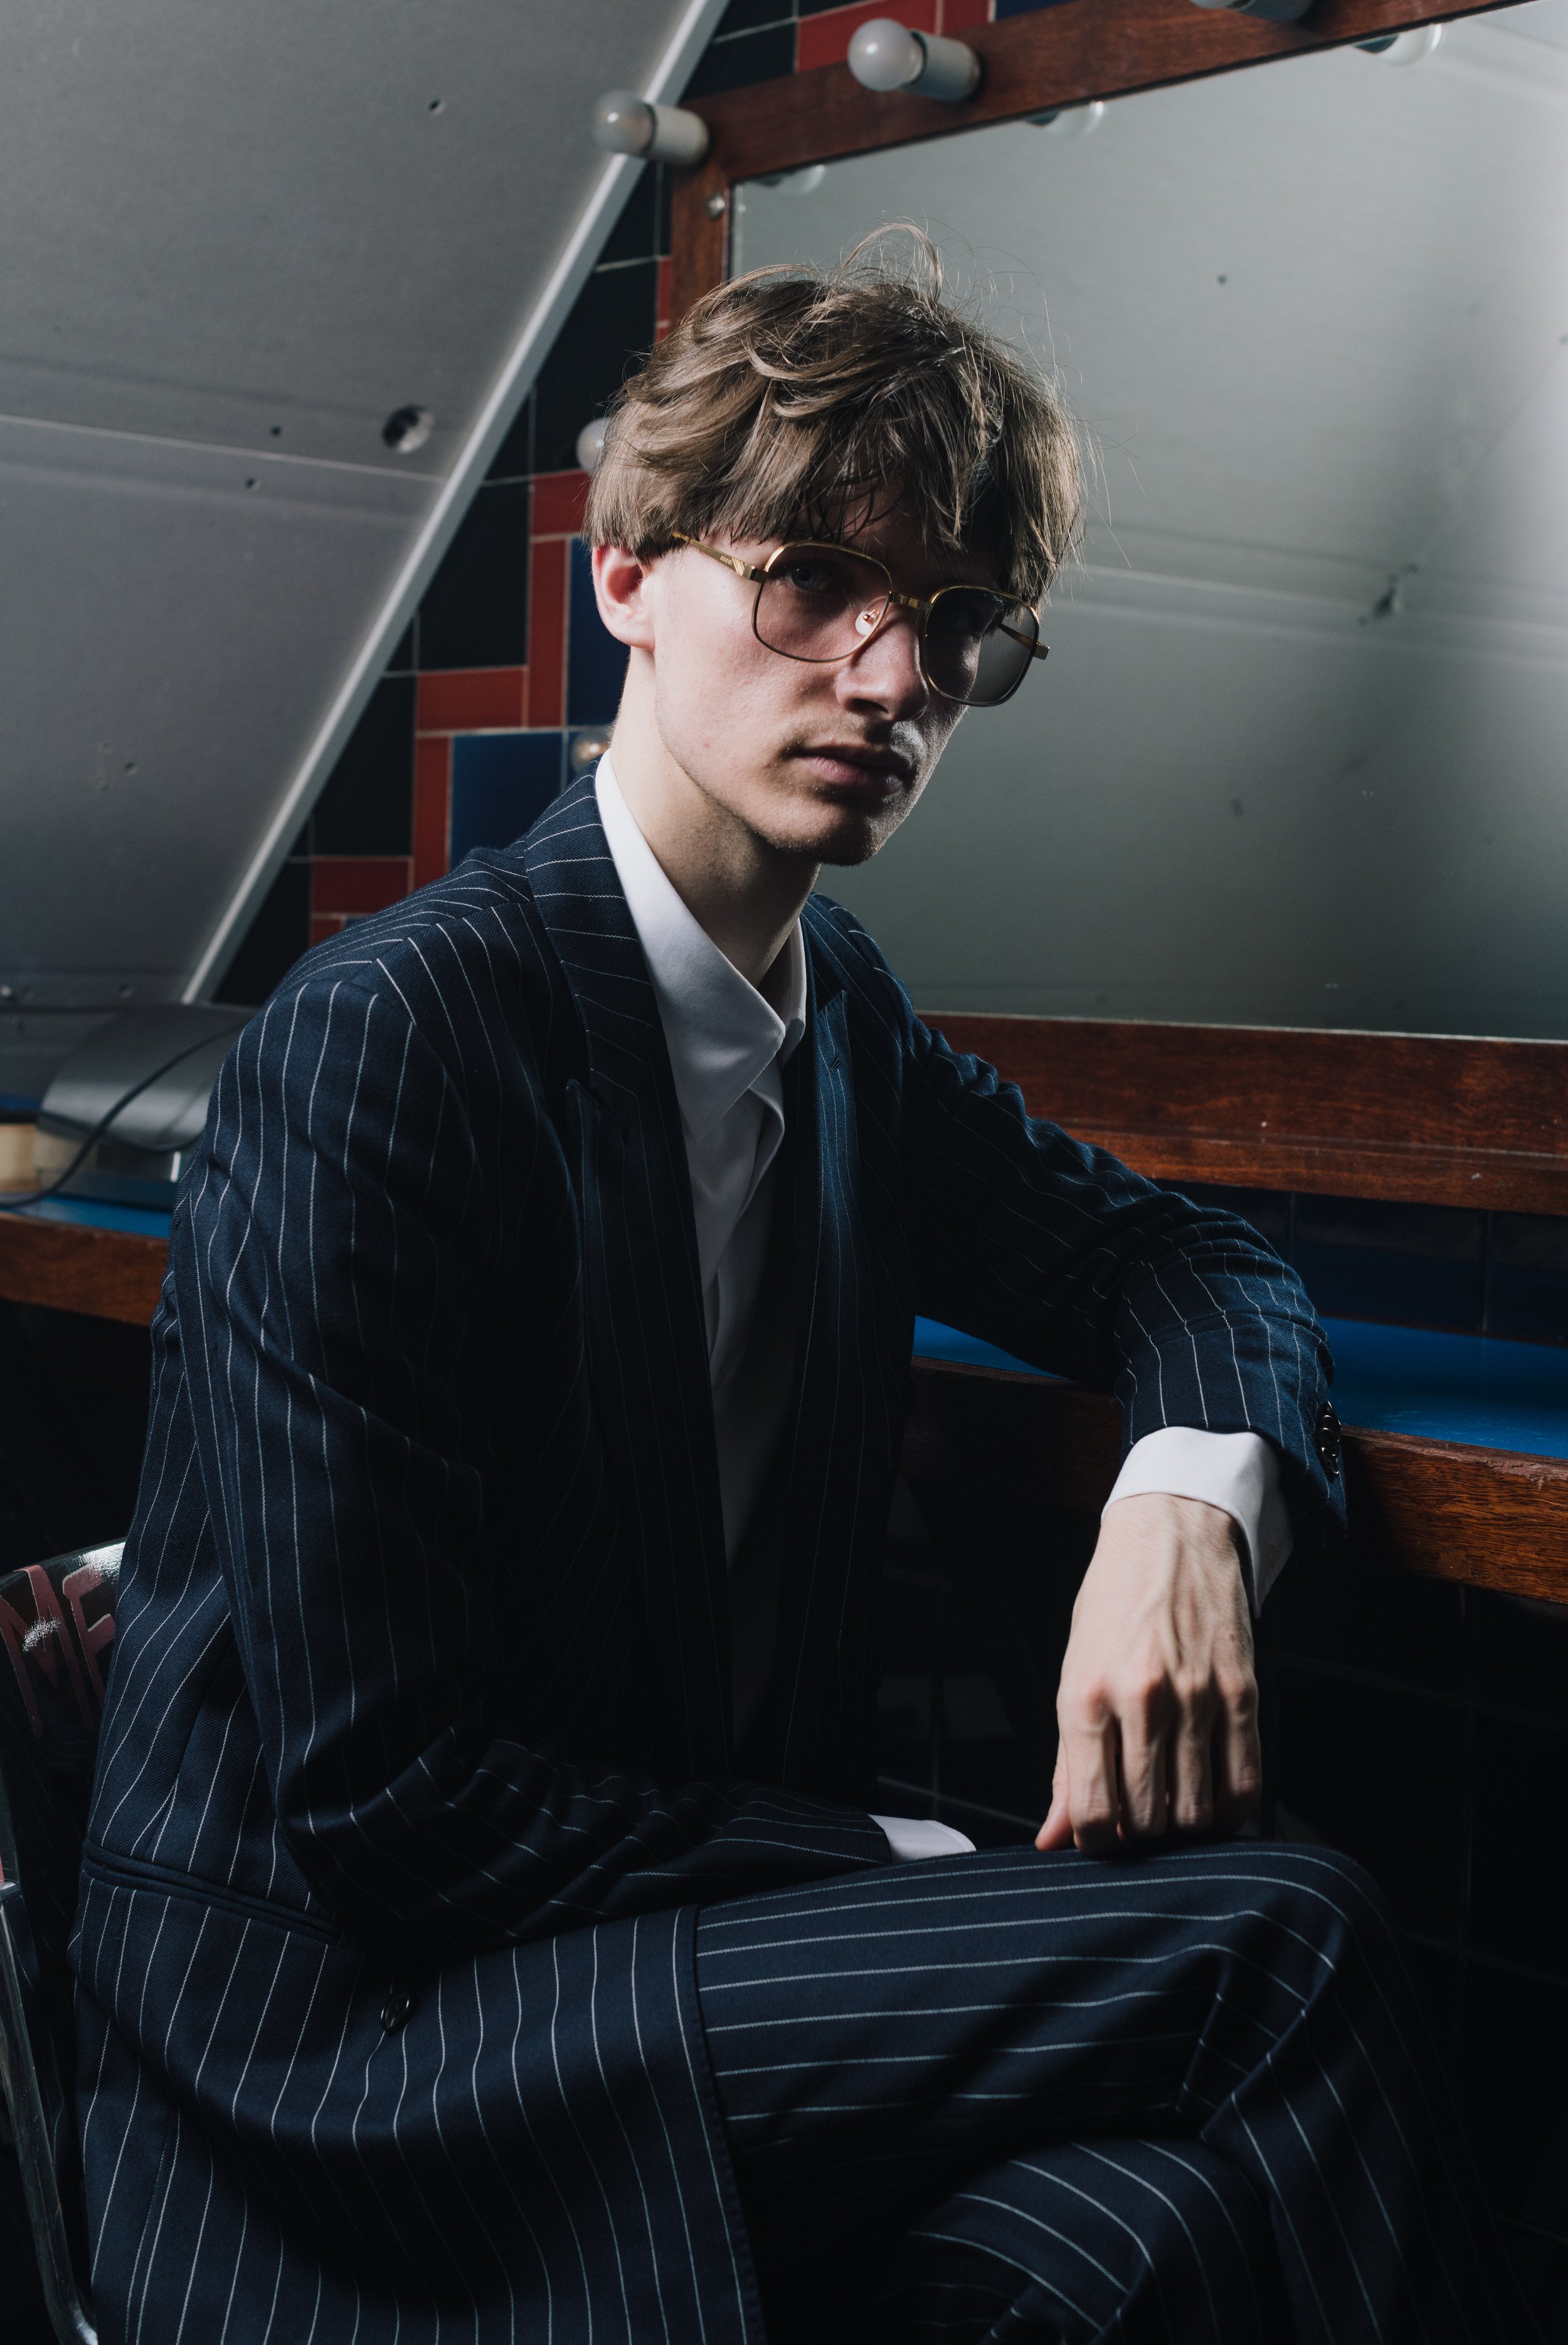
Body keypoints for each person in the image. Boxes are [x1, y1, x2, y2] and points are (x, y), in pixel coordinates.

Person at [72, 247, 1532, 2344]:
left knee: (1138, 2242)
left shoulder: (830, 1016)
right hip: (355, 2052)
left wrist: (1183, 1510)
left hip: (640, 1960)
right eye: (813, 585)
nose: (885, 676)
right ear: (630, 575)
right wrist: (927, 1867)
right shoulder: (400, 1033)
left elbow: (1174, 1259)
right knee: (1272, 1943)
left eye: (949, 631)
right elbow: (393, 1811)